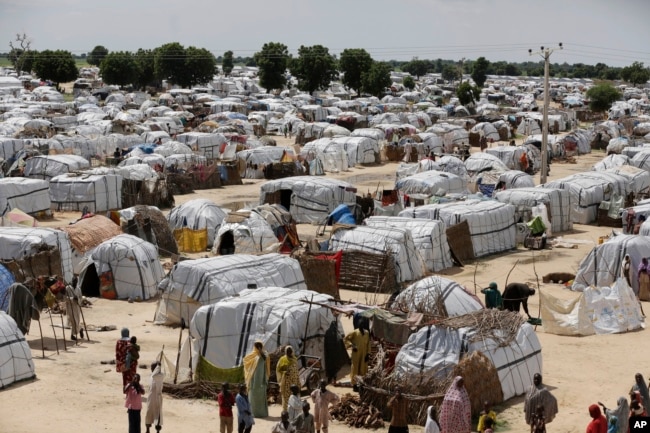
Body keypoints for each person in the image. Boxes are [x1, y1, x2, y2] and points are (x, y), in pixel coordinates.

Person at [243, 340, 270, 418]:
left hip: (261, 381)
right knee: (253, 398)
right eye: (257, 346)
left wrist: (260, 352)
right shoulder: (252, 355)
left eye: (259, 345)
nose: (258, 347)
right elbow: (245, 361)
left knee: (261, 398)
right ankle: (253, 413)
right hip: (253, 380)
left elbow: (265, 358)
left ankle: (261, 413)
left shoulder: (265, 354)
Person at [344, 318, 371, 390]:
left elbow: (368, 343)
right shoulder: (355, 332)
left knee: (363, 369)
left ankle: (361, 384)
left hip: (364, 354)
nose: (360, 326)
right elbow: (346, 339)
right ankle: (354, 385)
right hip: (356, 354)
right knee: (355, 369)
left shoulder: (367, 333)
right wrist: (352, 345)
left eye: (362, 324)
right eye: (359, 325)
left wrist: (368, 354)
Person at [277, 346, 300, 411]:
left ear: (292, 352)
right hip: (287, 382)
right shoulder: (282, 359)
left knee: (294, 396)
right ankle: (286, 412)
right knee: (287, 397)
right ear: (285, 352)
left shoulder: (295, 359)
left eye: (290, 351)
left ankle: (294, 411)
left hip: (294, 381)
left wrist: (298, 381)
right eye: (287, 352)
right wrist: (284, 372)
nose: (289, 353)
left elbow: (297, 370)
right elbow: (278, 369)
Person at [145, 362, 164, 433]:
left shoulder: (160, 375)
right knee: (149, 413)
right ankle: (147, 429)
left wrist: (158, 366)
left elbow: (155, 375)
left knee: (157, 414)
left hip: (157, 398)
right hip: (151, 397)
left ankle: (157, 431)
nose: (151, 369)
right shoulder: (151, 376)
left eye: (152, 368)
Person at [116, 328, 135, 392]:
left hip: (122, 362)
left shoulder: (118, 341)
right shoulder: (130, 341)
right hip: (132, 362)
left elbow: (117, 352)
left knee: (125, 375)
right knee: (131, 375)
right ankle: (131, 390)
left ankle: (125, 388)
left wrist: (119, 362)